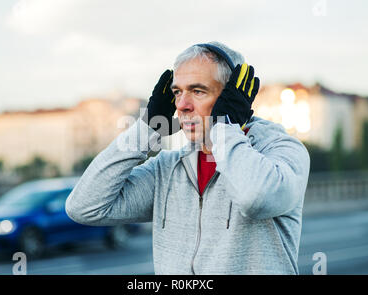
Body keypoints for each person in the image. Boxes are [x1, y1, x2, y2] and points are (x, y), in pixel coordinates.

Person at [65, 41, 310, 274]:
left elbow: (255, 198)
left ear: (231, 98)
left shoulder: (281, 151)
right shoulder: (167, 169)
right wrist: (147, 127)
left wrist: (224, 125)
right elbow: (84, 207)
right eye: (177, 92)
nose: (181, 105)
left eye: (197, 91)